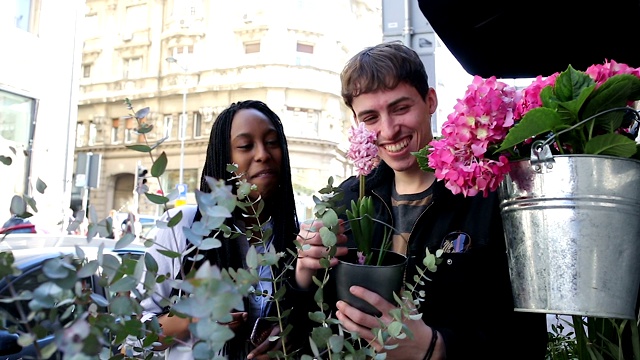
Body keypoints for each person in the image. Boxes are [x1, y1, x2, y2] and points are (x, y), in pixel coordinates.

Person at [295, 41, 548, 359]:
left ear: (430, 100)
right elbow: (311, 325)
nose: (389, 130)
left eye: (401, 108)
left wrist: (436, 349)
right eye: (371, 117)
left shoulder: (487, 193)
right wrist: (304, 276)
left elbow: (527, 332)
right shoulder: (345, 202)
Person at [138, 100, 300, 359]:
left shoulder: (297, 237)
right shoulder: (184, 227)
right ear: (224, 159)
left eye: (272, 142)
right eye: (246, 146)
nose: (262, 154)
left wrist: (290, 341)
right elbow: (134, 337)